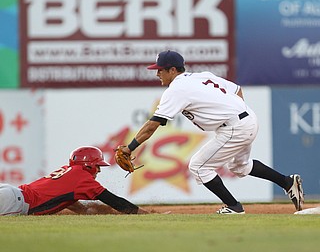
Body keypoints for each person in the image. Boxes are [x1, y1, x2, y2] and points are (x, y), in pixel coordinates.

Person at [120, 50, 304, 214]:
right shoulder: (201, 76)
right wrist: (235, 111)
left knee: (198, 166)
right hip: (247, 118)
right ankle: (288, 182)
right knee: (240, 166)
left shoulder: (177, 89)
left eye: (161, 69)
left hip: (235, 127)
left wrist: (130, 147)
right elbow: (237, 90)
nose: (157, 73)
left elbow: (153, 124)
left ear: (173, 70)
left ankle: (234, 207)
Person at [0, 146, 148, 216]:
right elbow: (115, 202)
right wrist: (144, 214)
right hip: (15, 202)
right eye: (97, 166)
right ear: (89, 165)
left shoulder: (70, 171)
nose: (99, 170)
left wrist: (83, 211)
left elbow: (64, 196)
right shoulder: (83, 178)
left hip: (11, 193)